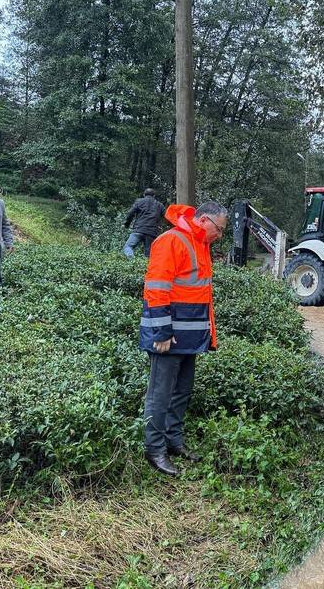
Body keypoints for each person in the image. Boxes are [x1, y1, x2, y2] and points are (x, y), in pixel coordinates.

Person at [139, 200, 228, 475]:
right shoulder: (170, 241)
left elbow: (199, 296)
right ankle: (154, 449)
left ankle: (173, 440)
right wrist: (162, 332)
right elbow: (156, 289)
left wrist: (206, 336)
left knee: (181, 392)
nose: (220, 235)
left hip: (190, 337)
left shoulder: (201, 245)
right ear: (203, 221)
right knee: (160, 394)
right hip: (169, 337)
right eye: (220, 229)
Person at [123, 188, 165, 258]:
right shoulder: (159, 205)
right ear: (154, 196)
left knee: (128, 247)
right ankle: (146, 268)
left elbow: (130, 213)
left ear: (144, 195)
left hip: (138, 229)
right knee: (148, 255)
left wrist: (126, 224)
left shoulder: (139, 202)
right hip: (151, 232)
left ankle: (133, 262)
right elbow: (167, 216)